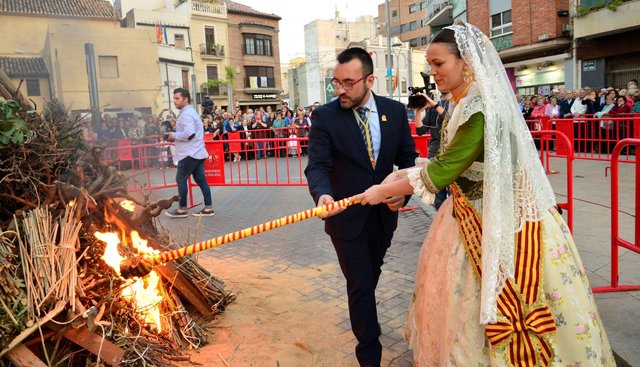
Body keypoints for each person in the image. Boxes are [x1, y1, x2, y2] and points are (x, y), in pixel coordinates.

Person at [354, 21, 614, 366]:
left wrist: (382, 190)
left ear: (465, 62)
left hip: (502, 221)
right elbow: (449, 163)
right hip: (468, 214)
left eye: (439, 64)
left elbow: (442, 172)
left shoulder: (480, 108)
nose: (433, 73)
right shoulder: (462, 103)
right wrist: (401, 176)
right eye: (429, 65)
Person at [304, 47, 416, 367]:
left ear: (369, 80)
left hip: (383, 216)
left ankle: (368, 319)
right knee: (360, 284)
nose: (340, 90)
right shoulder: (325, 116)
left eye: (348, 83)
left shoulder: (394, 112)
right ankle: (369, 353)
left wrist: (403, 195)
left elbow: (407, 161)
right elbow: (318, 166)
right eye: (336, 82)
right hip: (345, 218)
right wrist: (323, 195)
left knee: (371, 273)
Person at [165, 88, 214, 218]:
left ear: (185, 99)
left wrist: (173, 135)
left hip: (189, 154)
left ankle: (182, 209)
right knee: (201, 180)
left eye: (177, 98)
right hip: (196, 152)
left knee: (180, 179)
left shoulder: (186, 114)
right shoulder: (189, 112)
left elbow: (190, 134)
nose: (174, 101)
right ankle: (208, 208)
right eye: (174, 98)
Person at [413, 89, 451, 209]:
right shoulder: (431, 108)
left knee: (453, 195)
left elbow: (448, 118)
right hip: (435, 154)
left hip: (451, 153)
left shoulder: (455, 103)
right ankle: (441, 221)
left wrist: (433, 104)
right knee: (438, 196)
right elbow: (420, 131)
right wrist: (418, 111)